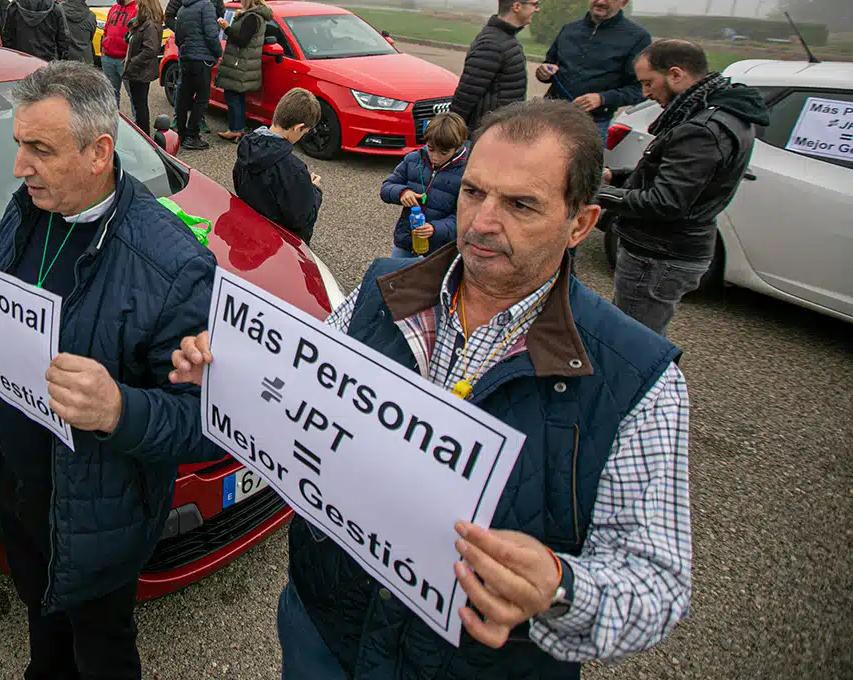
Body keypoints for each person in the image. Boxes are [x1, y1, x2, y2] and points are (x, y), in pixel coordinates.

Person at [174, 99, 692, 678]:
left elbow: (657, 582)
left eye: (521, 204)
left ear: (581, 224)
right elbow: (300, 396)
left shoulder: (637, 377)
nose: (484, 221)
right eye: (473, 193)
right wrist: (231, 370)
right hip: (324, 632)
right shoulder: (379, 289)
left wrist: (562, 588)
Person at [0, 61, 220, 680]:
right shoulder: (27, 206)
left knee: (100, 647)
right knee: (41, 620)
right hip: (20, 491)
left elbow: (205, 422)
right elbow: (14, 296)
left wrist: (119, 410)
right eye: (18, 144)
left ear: (100, 152)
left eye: (39, 149)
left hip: (97, 512)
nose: (19, 167)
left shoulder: (173, 266)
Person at [598, 39, 768, 334]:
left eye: (649, 83)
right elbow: (673, 177)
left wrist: (594, 194)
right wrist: (617, 176)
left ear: (676, 74)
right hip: (672, 248)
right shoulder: (719, 112)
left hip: (658, 254)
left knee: (631, 340)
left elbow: (666, 202)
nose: (645, 93)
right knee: (643, 332)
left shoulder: (701, 130)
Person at [537, 0, 651, 138]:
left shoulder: (637, 38)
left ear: (623, 3)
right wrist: (543, 72)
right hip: (550, 115)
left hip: (593, 124)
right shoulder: (569, 29)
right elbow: (549, 65)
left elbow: (640, 90)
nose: (602, 1)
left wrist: (602, 98)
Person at [232, 87, 323, 242]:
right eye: (304, 132)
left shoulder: (247, 145)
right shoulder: (294, 170)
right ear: (298, 127)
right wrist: (314, 190)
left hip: (247, 229)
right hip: (277, 244)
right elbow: (302, 220)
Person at [378, 111, 469, 258]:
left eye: (443, 153)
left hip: (439, 249)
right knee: (396, 276)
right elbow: (387, 187)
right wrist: (402, 192)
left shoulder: (468, 173)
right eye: (431, 149)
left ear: (458, 148)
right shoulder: (414, 159)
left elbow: (466, 217)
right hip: (406, 240)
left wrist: (436, 229)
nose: (435, 157)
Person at [451, 0, 537, 131]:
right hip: (486, 133)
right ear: (517, 6)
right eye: (534, 4)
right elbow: (467, 94)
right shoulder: (492, 43)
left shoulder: (507, 39)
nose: (537, 9)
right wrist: (450, 130)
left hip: (501, 131)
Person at [172, 0, 223, 150]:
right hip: (202, 59)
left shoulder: (183, 9)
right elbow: (211, 34)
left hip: (185, 57)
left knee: (184, 96)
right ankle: (192, 135)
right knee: (201, 99)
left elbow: (178, 36)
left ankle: (180, 132)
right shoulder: (206, 7)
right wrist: (218, 53)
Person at [215, 0, 269, 140]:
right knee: (237, 97)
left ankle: (236, 130)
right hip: (246, 64)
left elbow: (242, 40)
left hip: (241, 64)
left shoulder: (252, 18)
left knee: (232, 97)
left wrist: (226, 27)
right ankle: (238, 128)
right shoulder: (257, 16)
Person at [2, 0, 67, 62]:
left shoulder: (15, 4)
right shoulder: (55, 6)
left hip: (20, 60)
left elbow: (7, 37)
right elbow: (63, 38)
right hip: (47, 63)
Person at [122, 0, 165, 133]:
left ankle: (144, 134)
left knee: (140, 106)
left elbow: (150, 50)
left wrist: (133, 62)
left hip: (140, 72)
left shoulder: (150, 26)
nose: (136, 7)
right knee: (139, 104)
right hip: (138, 70)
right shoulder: (143, 24)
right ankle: (142, 132)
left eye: (139, 4)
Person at [99, 0, 138, 102]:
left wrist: (130, 56)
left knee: (134, 97)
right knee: (110, 97)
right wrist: (103, 49)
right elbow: (106, 29)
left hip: (125, 62)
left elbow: (137, 37)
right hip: (108, 59)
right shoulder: (114, 8)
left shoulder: (137, 11)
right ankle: (113, 121)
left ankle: (136, 122)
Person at [59, 0, 98, 64]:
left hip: (64, 59)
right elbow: (90, 37)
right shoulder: (91, 16)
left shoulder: (59, 10)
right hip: (84, 60)